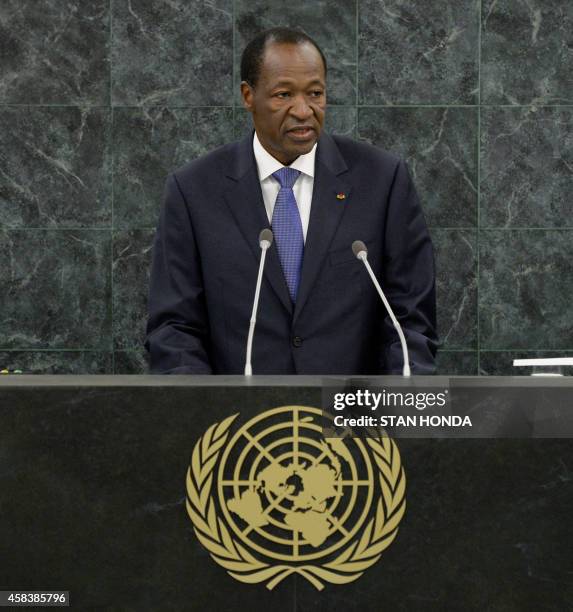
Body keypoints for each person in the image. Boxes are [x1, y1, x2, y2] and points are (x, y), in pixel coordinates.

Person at [145, 28, 438, 375]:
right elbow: (174, 328)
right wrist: (206, 412)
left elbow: (409, 319)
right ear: (248, 96)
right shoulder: (194, 190)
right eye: (284, 95)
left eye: (315, 93)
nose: (303, 110)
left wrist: (396, 411)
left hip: (352, 419)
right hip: (240, 422)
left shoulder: (382, 181)